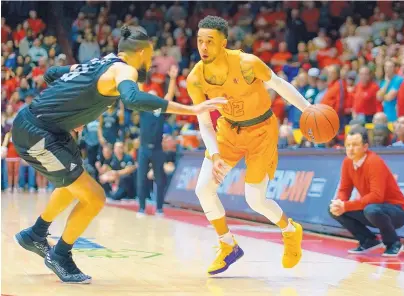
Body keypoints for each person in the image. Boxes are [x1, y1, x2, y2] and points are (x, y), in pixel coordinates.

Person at [12, 25, 226, 284]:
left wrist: (70, 111)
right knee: (94, 198)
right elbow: (133, 98)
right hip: (39, 132)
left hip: (49, 129)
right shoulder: (125, 70)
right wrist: (192, 110)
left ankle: (35, 234)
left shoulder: (100, 62)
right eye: (150, 55)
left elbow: (52, 74)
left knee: (73, 185)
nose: (151, 61)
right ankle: (60, 254)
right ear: (143, 52)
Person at [186, 16, 311, 275]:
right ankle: (228, 245)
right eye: (200, 41)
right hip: (228, 130)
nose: (204, 47)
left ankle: (290, 230)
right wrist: (216, 154)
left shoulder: (247, 63)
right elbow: (204, 123)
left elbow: (279, 85)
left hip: (261, 131)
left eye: (210, 41)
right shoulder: (195, 78)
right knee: (203, 188)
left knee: (255, 199)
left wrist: (308, 110)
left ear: (224, 43)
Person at [329, 126, 404, 256]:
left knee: (371, 209)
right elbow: (344, 189)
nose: (350, 149)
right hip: (373, 208)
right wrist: (339, 203)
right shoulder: (347, 162)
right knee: (334, 209)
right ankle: (368, 240)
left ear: (365, 147)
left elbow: (377, 197)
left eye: (355, 145)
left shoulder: (374, 162)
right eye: (348, 145)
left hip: (398, 211)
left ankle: (393, 243)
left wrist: (346, 205)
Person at [136, 65, 178, 217]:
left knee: (159, 179)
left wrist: (172, 78)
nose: (151, 95)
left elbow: (170, 95)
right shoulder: (143, 108)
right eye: (149, 94)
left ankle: (159, 208)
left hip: (157, 149)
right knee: (141, 179)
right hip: (143, 148)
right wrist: (140, 74)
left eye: (154, 94)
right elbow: (139, 91)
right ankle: (141, 208)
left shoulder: (161, 110)